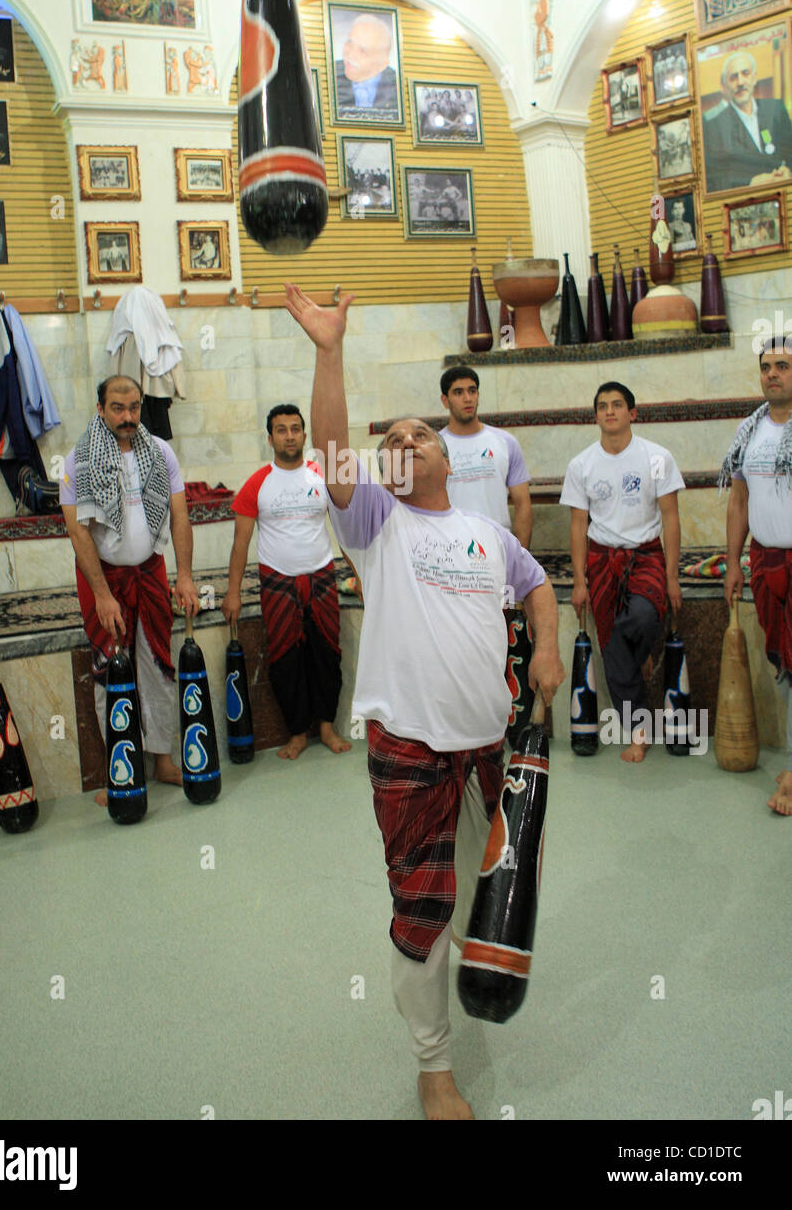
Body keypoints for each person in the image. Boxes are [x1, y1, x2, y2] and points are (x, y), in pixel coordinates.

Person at [284, 281, 564, 1120]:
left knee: (494, 892)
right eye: (393, 438)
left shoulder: (487, 534)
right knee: (420, 909)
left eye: (421, 433)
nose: (406, 439)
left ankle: (477, 987)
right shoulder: (376, 524)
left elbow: (540, 584)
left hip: (491, 752)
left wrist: (546, 642)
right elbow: (334, 456)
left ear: (446, 458)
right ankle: (433, 1064)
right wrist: (329, 351)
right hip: (409, 749)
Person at [60, 375, 199, 800]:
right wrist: (102, 595)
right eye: (117, 408)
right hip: (103, 579)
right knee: (110, 672)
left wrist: (186, 576)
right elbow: (76, 530)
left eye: (134, 407)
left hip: (150, 573)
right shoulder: (77, 459)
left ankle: (160, 759)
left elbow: (179, 515)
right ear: (100, 409)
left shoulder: (160, 453)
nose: (127, 416)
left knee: (157, 665)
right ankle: (119, 767)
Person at [561, 381, 684, 762]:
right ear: (595, 415)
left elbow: (671, 518)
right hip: (601, 560)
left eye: (617, 405)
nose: (609, 411)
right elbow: (578, 526)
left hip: (646, 555)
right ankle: (639, 730)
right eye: (602, 406)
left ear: (633, 413)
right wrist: (580, 581)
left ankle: (643, 649)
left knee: (644, 618)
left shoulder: (657, 457)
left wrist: (673, 576)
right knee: (613, 647)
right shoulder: (582, 465)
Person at [222, 404, 350, 761]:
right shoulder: (257, 483)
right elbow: (240, 545)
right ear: (270, 438)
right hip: (276, 582)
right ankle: (296, 733)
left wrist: (359, 573)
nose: (290, 435)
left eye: (296, 428)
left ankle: (326, 726)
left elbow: (343, 530)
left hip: (322, 576)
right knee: (284, 659)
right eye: (282, 429)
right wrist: (233, 594)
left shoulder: (321, 477)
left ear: (305, 435)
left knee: (327, 654)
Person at [720, 336, 792, 816]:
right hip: (767, 564)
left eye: (783, 365)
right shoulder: (750, 431)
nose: (772, 374)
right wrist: (733, 561)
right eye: (766, 366)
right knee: (783, 666)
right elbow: (740, 501)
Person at [440, 365, 532, 547]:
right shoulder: (435, 447)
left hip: (498, 542)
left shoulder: (505, 442)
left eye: (472, 391)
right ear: (445, 400)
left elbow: (523, 505)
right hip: (452, 545)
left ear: (478, 395)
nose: (467, 398)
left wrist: (521, 556)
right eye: (458, 392)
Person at [702, 51, 792, 194]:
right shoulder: (714, 127)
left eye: (745, 73)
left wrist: (788, 171)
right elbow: (713, 180)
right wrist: (750, 183)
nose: (740, 82)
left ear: (754, 78)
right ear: (725, 86)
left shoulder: (775, 109)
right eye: (733, 77)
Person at [335, 14, 398, 112]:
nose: (350, 55)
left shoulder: (397, 87)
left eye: (363, 50)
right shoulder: (329, 73)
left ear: (382, 65)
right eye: (349, 43)